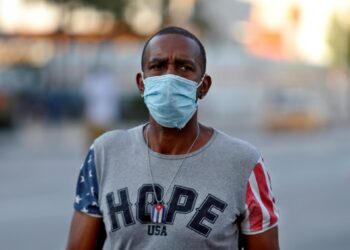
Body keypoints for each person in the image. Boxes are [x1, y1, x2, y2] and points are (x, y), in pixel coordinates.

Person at [66, 26, 279, 250]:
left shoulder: (243, 162)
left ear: (203, 86)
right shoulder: (104, 153)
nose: (169, 77)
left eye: (184, 67)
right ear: (141, 83)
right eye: (157, 66)